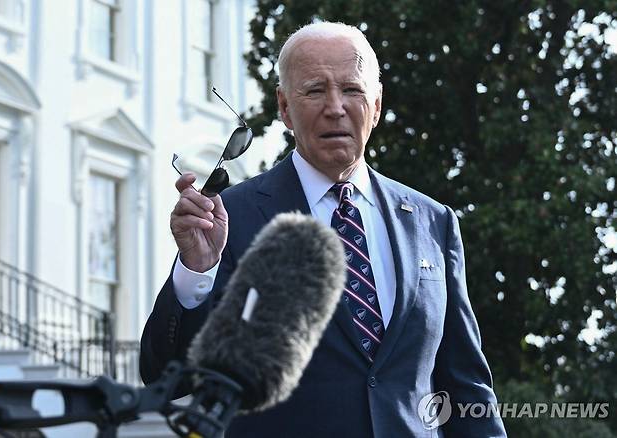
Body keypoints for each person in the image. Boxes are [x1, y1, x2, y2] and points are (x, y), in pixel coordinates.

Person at [140, 21, 507, 437]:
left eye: (352, 90)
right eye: (315, 90)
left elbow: (466, 388)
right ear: (284, 108)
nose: (335, 107)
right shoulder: (231, 218)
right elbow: (165, 376)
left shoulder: (431, 221)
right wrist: (195, 273)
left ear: (377, 104)